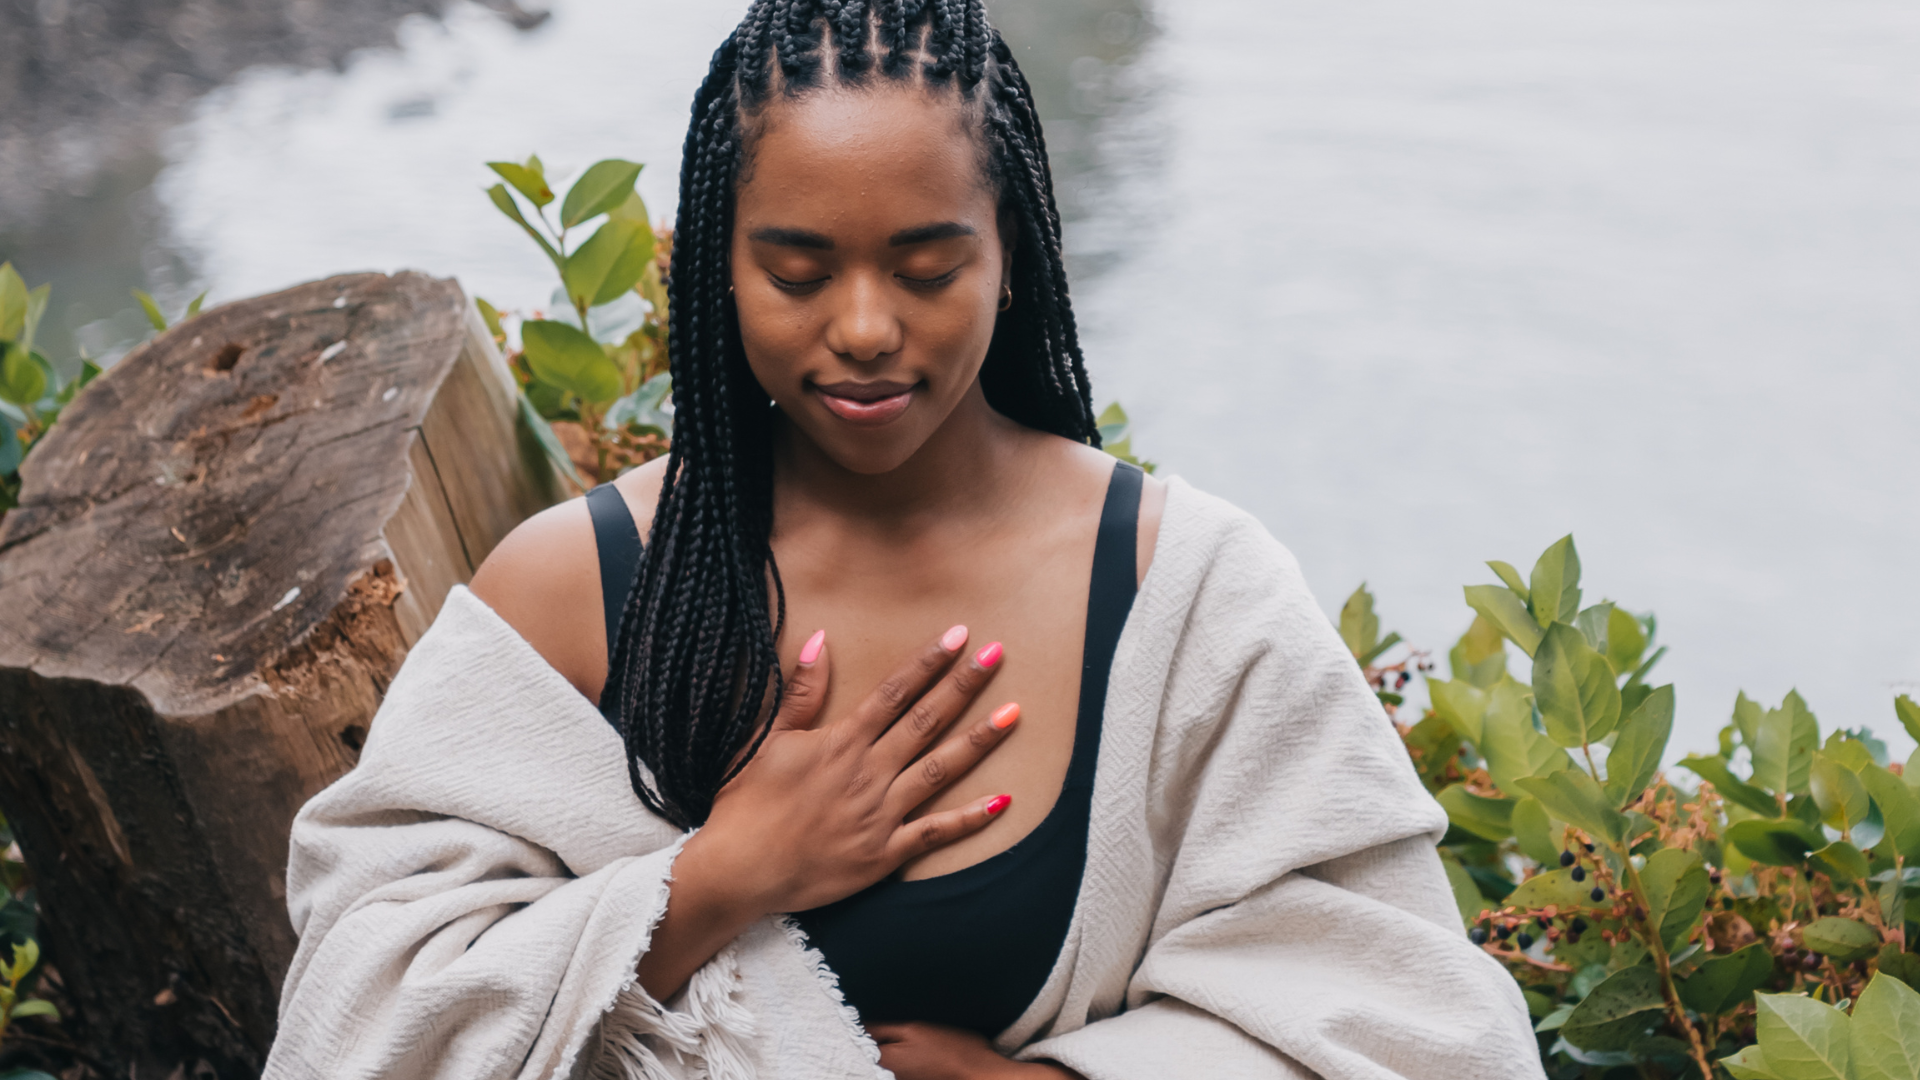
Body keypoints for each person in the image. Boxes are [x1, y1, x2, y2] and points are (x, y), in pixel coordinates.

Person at [263, 2, 1543, 1078]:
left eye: (928, 268)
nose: (867, 326)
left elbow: (1425, 1034)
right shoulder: (573, 592)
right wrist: (720, 879)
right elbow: (356, 1026)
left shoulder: (1183, 593)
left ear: (1013, 255)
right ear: (719, 265)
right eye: (799, 271)